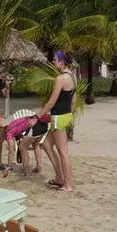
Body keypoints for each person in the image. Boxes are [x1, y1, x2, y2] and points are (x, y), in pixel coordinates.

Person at [37, 51, 77, 192]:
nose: (53, 62)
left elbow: (51, 103)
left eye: (55, 60)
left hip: (59, 117)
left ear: (62, 62)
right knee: (47, 145)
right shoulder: (73, 76)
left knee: (63, 151)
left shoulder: (60, 79)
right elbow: (74, 101)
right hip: (66, 116)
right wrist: (68, 115)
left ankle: (68, 185)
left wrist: (37, 117)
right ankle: (60, 178)